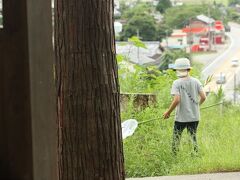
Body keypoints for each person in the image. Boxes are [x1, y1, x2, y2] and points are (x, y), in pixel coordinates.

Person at [163, 58, 206, 155]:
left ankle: (174, 157)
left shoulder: (176, 83)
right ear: (189, 69)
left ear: (177, 71)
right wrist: (196, 106)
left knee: (176, 138)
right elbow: (203, 97)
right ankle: (195, 156)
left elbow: (177, 100)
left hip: (181, 118)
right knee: (193, 137)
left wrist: (168, 112)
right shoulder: (196, 81)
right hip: (194, 117)